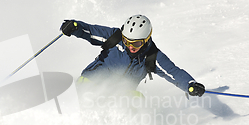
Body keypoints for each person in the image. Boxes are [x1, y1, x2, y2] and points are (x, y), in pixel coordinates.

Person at [60, 14, 205, 98]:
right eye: (127, 41)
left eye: (135, 44)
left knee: (137, 101)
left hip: (120, 94)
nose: (130, 47)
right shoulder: (115, 38)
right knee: (89, 96)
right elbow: (90, 31)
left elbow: (173, 73)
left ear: (146, 39)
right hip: (92, 82)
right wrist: (75, 27)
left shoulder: (152, 56)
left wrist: (190, 84)